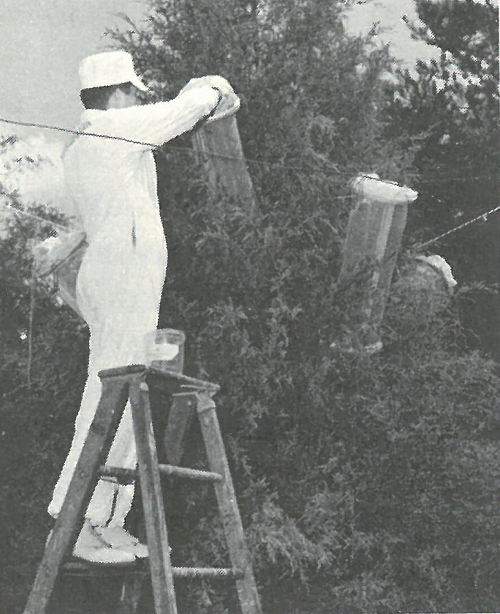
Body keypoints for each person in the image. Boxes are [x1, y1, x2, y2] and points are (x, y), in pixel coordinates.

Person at [47, 50, 231, 564]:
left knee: (130, 396)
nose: (137, 101)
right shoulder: (109, 130)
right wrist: (214, 89)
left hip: (127, 278)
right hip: (121, 276)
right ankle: (74, 520)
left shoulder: (98, 141)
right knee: (109, 391)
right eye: (132, 92)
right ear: (116, 94)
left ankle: (108, 520)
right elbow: (179, 113)